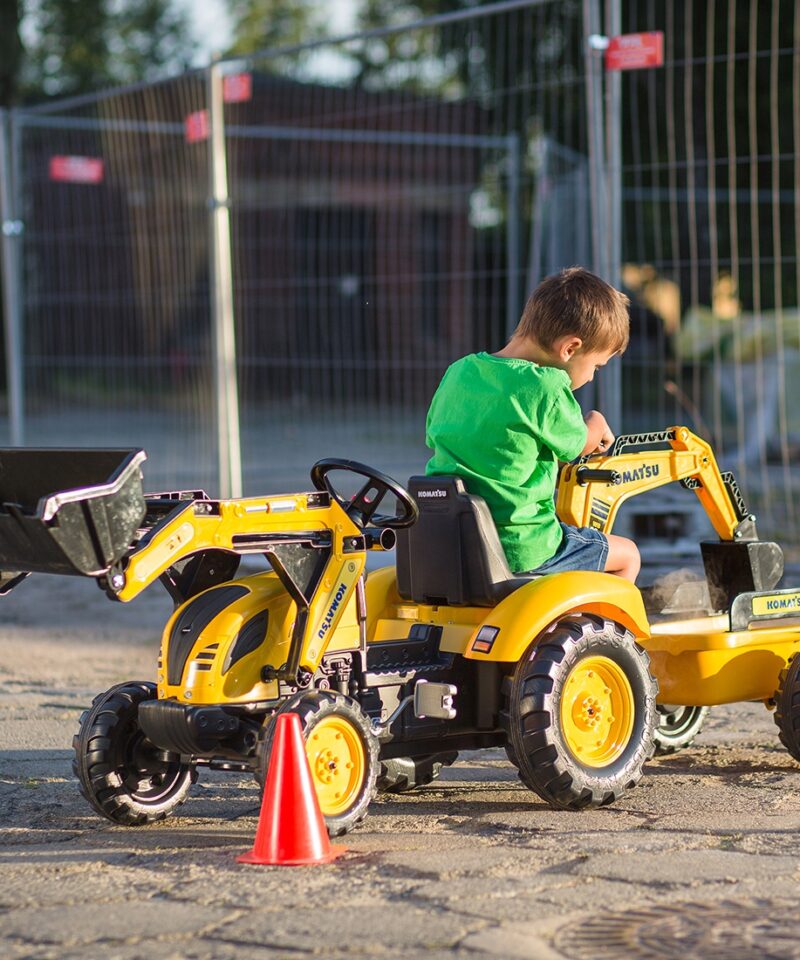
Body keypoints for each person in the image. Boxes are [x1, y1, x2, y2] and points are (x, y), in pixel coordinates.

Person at [424, 266, 640, 582]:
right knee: (627, 555)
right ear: (570, 348)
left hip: (450, 541)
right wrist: (595, 422)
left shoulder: (460, 371)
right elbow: (576, 447)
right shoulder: (546, 387)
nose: (593, 375)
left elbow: (437, 435)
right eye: (596, 365)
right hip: (521, 548)